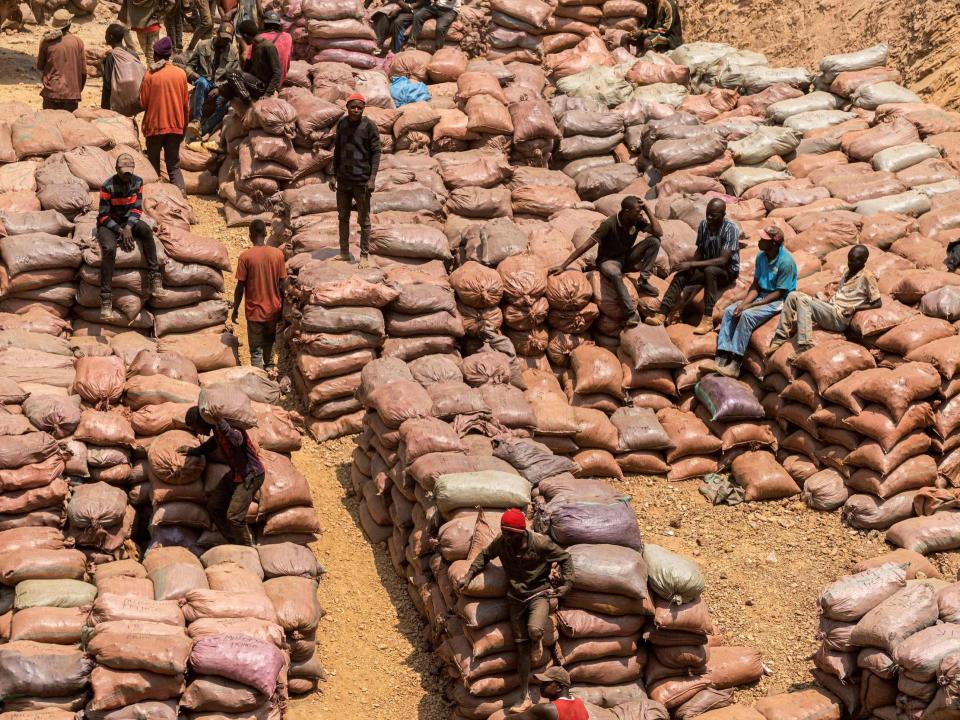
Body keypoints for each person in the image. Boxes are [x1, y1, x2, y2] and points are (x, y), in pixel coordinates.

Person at [458, 508, 574, 712]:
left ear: (521, 532)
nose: (507, 536)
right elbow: (484, 555)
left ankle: (537, 641)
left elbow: (564, 558)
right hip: (515, 599)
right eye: (504, 531)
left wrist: (567, 583)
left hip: (539, 594)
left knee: (535, 630)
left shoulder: (540, 543)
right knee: (521, 650)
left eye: (511, 533)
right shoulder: (502, 542)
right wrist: (469, 576)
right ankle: (524, 696)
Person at [549, 196, 662, 328]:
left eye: (641, 211)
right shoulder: (609, 224)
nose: (640, 213)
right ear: (626, 211)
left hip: (625, 258)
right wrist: (564, 266)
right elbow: (586, 245)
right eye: (637, 211)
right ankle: (630, 313)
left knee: (654, 241)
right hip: (608, 261)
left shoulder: (637, 220)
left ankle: (643, 281)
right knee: (615, 274)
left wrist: (647, 209)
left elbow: (658, 232)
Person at [646, 198, 740, 334]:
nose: (709, 217)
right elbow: (700, 251)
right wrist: (689, 267)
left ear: (723, 215)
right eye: (708, 213)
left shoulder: (730, 229)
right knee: (682, 275)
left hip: (727, 271)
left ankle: (707, 319)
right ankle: (662, 313)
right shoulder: (703, 225)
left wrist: (692, 263)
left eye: (713, 215)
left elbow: (723, 260)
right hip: (707, 265)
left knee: (710, 271)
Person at [768, 244, 881, 356]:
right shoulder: (847, 270)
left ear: (864, 260)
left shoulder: (867, 276)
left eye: (854, 261)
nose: (850, 263)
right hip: (830, 308)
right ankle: (780, 337)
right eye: (849, 260)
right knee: (792, 295)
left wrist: (854, 308)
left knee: (803, 301)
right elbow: (843, 292)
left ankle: (804, 345)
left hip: (839, 317)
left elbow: (877, 303)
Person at [713, 227, 796, 378]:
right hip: (762, 294)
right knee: (730, 311)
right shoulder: (761, 257)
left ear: (773, 244)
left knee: (747, 316)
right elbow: (756, 285)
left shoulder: (786, 262)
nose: (759, 241)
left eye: (763, 240)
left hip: (778, 300)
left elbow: (779, 292)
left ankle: (735, 364)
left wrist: (751, 306)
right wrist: (743, 303)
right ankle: (722, 356)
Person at [182, 407, 264, 546]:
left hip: (251, 475)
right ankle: (233, 542)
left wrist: (220, 420)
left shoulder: (230, 427)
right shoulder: (217, 430)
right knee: (214, 506)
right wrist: (194, 451)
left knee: (234, 517)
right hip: (236, 474)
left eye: (197, 427)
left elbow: (237, 440)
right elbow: (213, 443)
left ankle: (246, 549)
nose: (198, 432)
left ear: (203, 421)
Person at [96, 154, 163, 320]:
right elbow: (103, 215)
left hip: (128, 222)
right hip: (109, 224)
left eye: (129, 172)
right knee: (109, 249)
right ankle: (106, 298)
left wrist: (128, 227)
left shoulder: (138, 182)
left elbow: (137, 209)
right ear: (117, 169)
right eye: (123, 172)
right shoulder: (107, 186)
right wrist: (120, 230)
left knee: (147, 231)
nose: (127, 176)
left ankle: (154, 277)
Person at [331, 93, 381, 269]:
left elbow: (376, 153)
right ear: (347, 107)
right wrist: (332, 174)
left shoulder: (369, 127)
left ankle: (364, 255)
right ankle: (344, 252)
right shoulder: (342, 124)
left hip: (362, 182)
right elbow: (337, 150)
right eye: (353, 107)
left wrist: (372, 178)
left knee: (364, 220)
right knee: (343, 217)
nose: (356, 110)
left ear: (363, 108)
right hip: (343, 181)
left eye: (359, 107)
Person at [232, 219, 288, 372]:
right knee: (270, 344)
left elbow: (240, 287)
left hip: (254, 312)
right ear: (265, 233)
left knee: (256, 351)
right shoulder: (278, 255)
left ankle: (260, 382)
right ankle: (270, 373)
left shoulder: (245, 257)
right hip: (273, 311)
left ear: (250, 235)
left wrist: (235, 309)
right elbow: (283, 284)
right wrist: (283, 309)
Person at [139, 36, 189, 194]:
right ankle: (182, 196)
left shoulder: (150, 75)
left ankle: (157, 198)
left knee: (153, 164)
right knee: (173, 165)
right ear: (170, 55)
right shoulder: (181, 74)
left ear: (155, 55)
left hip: (155, 127)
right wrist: (184, 128)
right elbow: (186, 105)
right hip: (176, 126)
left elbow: (143, 103)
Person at [186, 22, 239, 139]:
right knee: (201, 82)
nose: (225, 42)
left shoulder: (233, 51)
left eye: (228, 40)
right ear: (217, 34)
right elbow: (189, 66)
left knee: (226, 105)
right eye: (223, 38)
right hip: (204, 80)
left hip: (221, 85)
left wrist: (220, 89)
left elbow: (234, 76)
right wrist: (192, 74)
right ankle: (196, 120)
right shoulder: (202, 45)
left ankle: (202, 131)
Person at [37, 10, 85, 111]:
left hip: (52, 92)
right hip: (72, 95)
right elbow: (83, 72)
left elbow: (40, 66)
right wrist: (77, 90)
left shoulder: (46, 42)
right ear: (69, 24)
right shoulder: (78, 42)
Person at [505, 667, 588, 720]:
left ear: (559, 687)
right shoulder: (579, 702)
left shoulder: (547, 709)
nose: (540, 686)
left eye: (545, 683)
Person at [101, 23, 145, 114]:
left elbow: (108, 83)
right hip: (134, 101)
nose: (105, 37)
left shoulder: (111, 57)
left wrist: (104, 106)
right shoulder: (133, 54)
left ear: (111, 37)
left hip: (117, 103)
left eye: (106, 34)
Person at [237, 19, 282, 97]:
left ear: (245, 35)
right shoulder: (255, 45)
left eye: (242, 37)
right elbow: (251, 65)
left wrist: (267, 94)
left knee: (232, 74)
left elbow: (277, 72)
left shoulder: (268, 47)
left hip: (264, 87)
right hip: (256, 83)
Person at [258, 11, 292, 85]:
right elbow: (288, 60)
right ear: (278, 24)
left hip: (263, 84)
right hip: (279, 82)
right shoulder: (288, 37)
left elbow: (246, 59)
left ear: (264, 24)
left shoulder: (259, 38)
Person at [124, 0, 162, 64]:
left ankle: (150, 70)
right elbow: (171, 2)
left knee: (147, 54)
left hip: (139, 26)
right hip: (153, 24)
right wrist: (161, 15)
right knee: (152, 55)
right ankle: (151, 71)